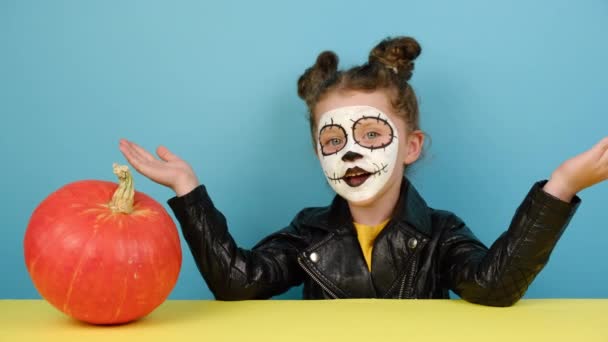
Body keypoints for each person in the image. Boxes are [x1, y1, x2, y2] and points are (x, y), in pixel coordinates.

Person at [119, 36, 608, 306]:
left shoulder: (441, 233)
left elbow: (494, 287)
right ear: (318, 154)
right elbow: (236, 282)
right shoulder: (307, 233)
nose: (351, 153)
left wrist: (560, 189)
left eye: (371, 134)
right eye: (333, 140)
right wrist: (188, 189)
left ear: (411, 147)